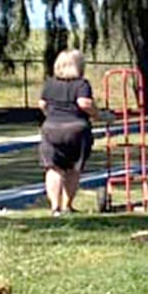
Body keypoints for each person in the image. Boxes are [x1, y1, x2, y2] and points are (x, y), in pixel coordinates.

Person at [38, 49, 97, 216]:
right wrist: (98, 114)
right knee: (73, 168)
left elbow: (42, 104)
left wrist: (51, 115)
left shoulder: (49, 84)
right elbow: (84, 103)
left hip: (51, 128)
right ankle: (67, 206)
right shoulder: (81, 84)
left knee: (53, 168)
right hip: (76, 129)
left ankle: (55, 207)